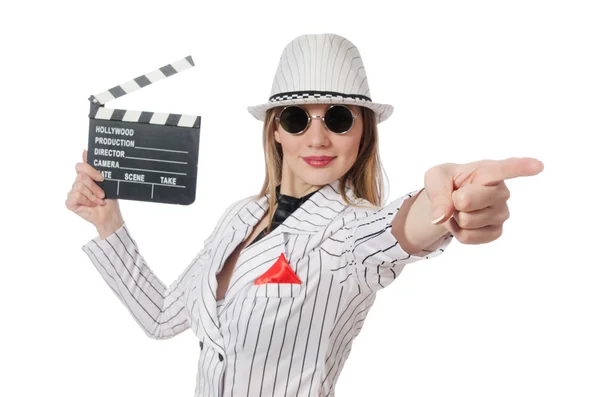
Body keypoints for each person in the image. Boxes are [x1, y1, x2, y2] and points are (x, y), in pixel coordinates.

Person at [66, 33, 543, 397]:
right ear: (276, 131)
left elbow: (399, 230)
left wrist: (447, 203)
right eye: (298, 119)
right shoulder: (239, 216)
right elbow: (162, 318)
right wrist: (108, 222)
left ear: (362, 133)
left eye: (337, 118)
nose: (317, 139)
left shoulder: (347, 233)